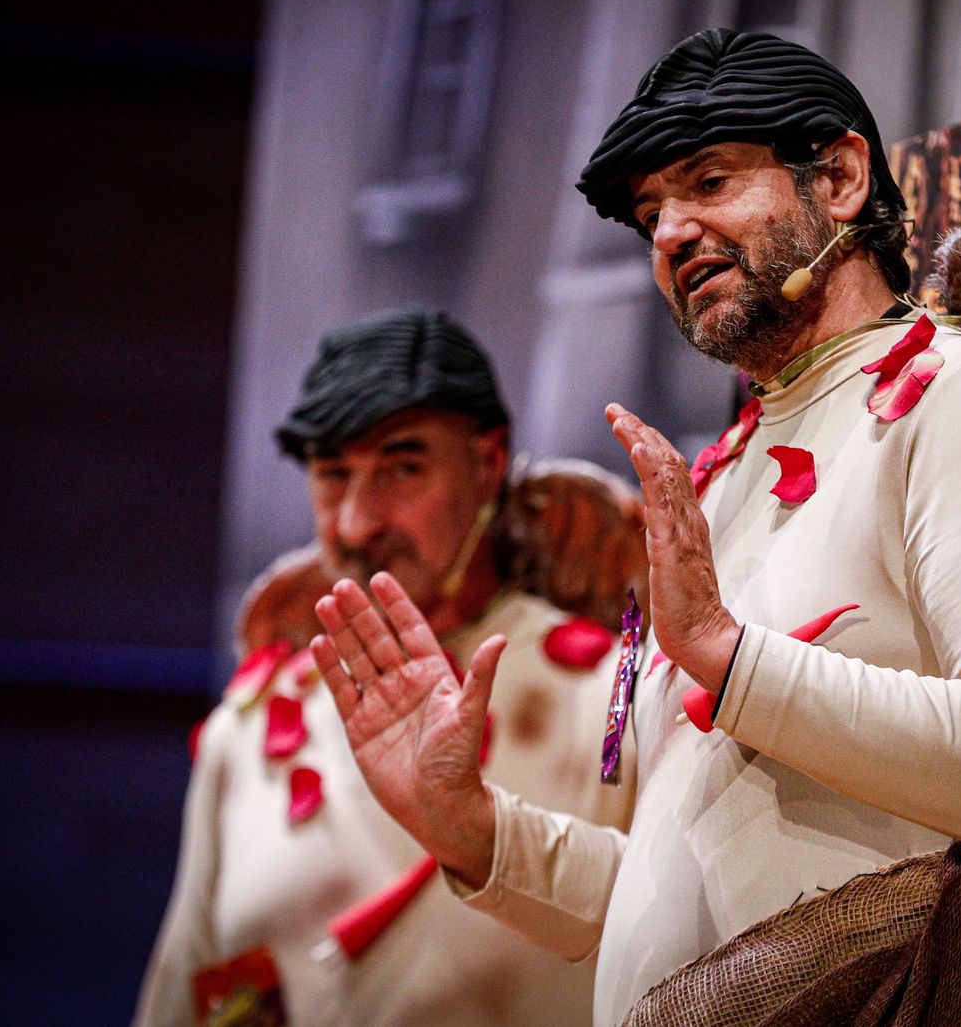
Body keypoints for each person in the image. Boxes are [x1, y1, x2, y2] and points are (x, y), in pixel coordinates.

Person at [310, 31, 961, 1025]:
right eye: (651, 213)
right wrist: (472, 828)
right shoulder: (717, 482)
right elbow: (685, 902)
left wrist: (729, 657)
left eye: (710, 182)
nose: (671, 233)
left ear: (840, 178)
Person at [135, 310, 636, 1025]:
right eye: (332, 474)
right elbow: (181, 991)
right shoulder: (248, 725)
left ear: (488, 463)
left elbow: (673, 940)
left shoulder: (611, 697)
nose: (356, 523)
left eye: (403, 468)